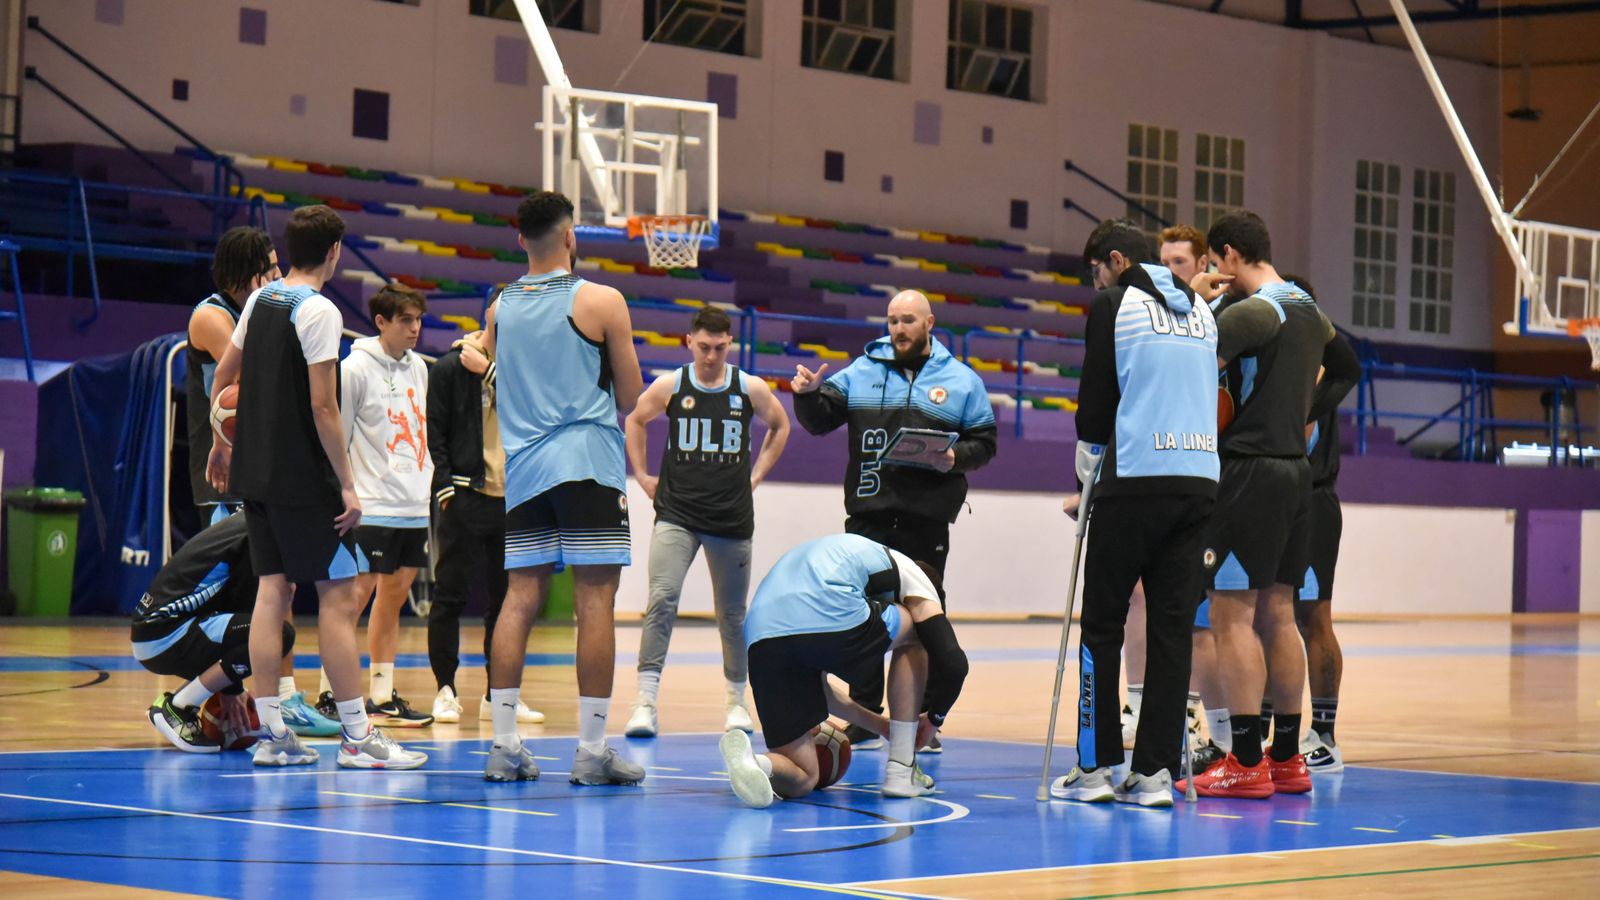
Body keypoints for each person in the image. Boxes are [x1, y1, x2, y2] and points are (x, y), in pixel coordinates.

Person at [207, 204, 426, 770]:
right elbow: (324, 407)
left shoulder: (260, 299)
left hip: (255, 472)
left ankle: (276, 736)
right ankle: (357, 737)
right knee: (336, 595)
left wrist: (220, 440)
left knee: (271, 594)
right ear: (333, 253)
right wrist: (349, 486)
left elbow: (224, 377)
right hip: (304, 477)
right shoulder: (320, 311)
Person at [1175, 212, 1359, 798]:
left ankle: (1245, 762)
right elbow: (1349, 369)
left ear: (1228, 256)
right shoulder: (1309, 309)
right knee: (1279, 615)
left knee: (1231, 616)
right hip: (1297, 476)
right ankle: (1286, 757)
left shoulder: (1255, 311)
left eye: (1213, 264)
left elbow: (1188, 357)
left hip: (1248, 470)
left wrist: (1196, 304)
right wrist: (1307, 410)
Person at [1049, 220, 1218, 808]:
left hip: (1135, 481)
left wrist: (1083, 481)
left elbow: (1094, 404)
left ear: (1116, 261)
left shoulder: (1113, 306)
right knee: (1174, 631)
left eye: (1095, 271)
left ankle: (1093, 770)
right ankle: (1154, 775)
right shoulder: (1200, 308)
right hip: (1198, 483)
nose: (1094, 283)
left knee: (1102, 623)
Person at [480, 191, 645, 785]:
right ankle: (593, 751)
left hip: (523, 468)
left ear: (520, 239)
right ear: (571, 236)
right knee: (594, 602)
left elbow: (500, 382)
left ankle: (503, 745)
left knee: (518, 599)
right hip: (585, 461)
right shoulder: (601, 300)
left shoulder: (499, 308)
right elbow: (629, 396)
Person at [791, 289, 996, 750]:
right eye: (892, 320)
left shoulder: (962, 381)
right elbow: (821, 419)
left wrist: (954, 457)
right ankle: (866, 715)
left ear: (929, 323)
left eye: (908, 320)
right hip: (868, 519)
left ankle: (918, 720)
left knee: (923, 621)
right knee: (865, 618)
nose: (898, 329)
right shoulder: (862, 370)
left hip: (926, 524)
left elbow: (985, 441)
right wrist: (806, 396)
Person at [185, 229, 335, 739]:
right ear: (243, 270)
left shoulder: (263, 307)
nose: (275, 275)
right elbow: (256, 368)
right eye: (267, 267)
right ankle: (217, 699)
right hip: (222, 466)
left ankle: (278, 701)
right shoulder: (212, 314)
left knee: (277, 586)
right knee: (240, 594)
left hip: (258, 461)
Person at [623, 306, 791, 737]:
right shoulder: (671, 384)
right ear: (689, 342)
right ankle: (644, 702)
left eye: (719, 347)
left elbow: (780, 426)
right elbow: (635, 420)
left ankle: (737, 702)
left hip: (730, 518)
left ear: (729, 344)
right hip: (677, 513)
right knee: (661, 600)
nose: (711, 355)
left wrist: (755, 476)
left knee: (732, 615)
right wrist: (642, 477)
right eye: (703, 347)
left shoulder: (749, 387)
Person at [719, 533, 969, 808]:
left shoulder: (851, 559)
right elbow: (954, 663)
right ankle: (901, 768)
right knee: (918, 633)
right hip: (824, 605)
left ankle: (753, 762)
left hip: (759, 634)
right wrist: (933, 719)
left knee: (804, 776)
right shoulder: (915, 577)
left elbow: (821, 692)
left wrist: (881, 726)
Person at [425, 311, 544, 726]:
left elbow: (537, 415)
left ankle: (499, 694)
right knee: (449, 596)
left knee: (507, 602)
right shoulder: (449, 368)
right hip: (464, 496)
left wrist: (491, 373)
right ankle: (445, 689)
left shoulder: (524, 370)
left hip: (512, 501)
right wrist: (445, 491)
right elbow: (434, 434)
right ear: (489, 322)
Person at [325, 284, 435, 727]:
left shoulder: (420, 370)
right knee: (352, 600)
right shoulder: (353, 369)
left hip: (412, 503)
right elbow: (339, 434)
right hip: (370, 505)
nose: (415, 328)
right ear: (381, 322)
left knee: (393, 601)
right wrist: (345, 492)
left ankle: (382, 693)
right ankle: (331, 692)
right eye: (405, 320)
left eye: (418, 319)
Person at [1159, 224, 1229, 766]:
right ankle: (1189, 727)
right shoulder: (1161, 318)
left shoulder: (1221, 319)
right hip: (1172, 475)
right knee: (1180, 614)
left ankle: (1224, 739)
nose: (1171, 272)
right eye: (1165, 262)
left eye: (1180, 262)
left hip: (1217, 483)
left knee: (1210, 618)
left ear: (1203, 262)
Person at [134, 513, 290, 752]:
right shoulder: (261, 534)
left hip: (159, 629)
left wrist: (233, 686)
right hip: (165, 631)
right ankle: (178, 707)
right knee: (277, 634)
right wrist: (232, 688)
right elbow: (246, 612)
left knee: (269, 631)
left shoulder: (253, 520)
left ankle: (182, 702)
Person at [1279, 275, 1351, 775]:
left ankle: (1324, 736)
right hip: (1279, 500)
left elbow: (1298, 433)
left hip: (1312, 501)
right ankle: (1269, 734)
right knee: (1268, 616)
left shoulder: (1318, 368)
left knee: (1312, 618)